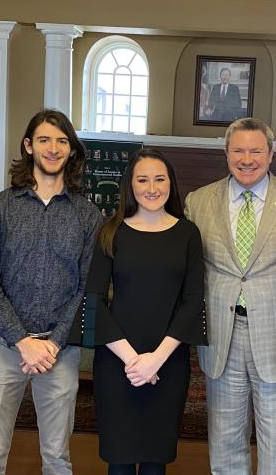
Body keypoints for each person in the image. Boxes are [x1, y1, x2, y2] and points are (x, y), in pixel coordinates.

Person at [184, 118, 276, 475]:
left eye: (256, 150)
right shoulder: (198, 202)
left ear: (271, 154)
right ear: (226, 153)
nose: (247, 159)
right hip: (221, 336)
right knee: (226, 439)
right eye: (238, 150)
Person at [0, 109, 102, 474]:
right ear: (29, 146)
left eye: (62, 141)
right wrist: (22, 341)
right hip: (4, 350)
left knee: (58, 459)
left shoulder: (87, 215)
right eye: (44, 139)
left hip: (59, 353)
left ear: (71, 152)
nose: (53, 148)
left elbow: (87, 287)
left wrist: (53, 343)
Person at [87, 148, 207, 475]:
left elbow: (193, 300)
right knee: (120, 457)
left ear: (171, 183)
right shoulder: (110, 232)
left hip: (168, 360)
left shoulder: (188, 234)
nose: (151, 187)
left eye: (159, 178)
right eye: (142, 179)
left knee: (157, 457)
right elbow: (94, 300)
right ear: (130, 184)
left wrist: (155, 359)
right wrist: (133, 360)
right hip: (117, 360)